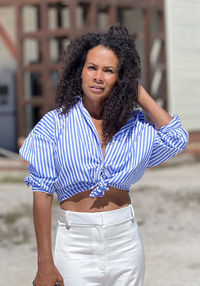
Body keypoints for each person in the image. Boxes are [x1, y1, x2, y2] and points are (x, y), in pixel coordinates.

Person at [20, 24, 188, 286]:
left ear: (120, 78)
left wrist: (138, 91)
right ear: (80, 71)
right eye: (92, 67)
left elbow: (177, 139)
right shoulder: (54, 124)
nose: (98, 76)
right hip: (75, 244)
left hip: (125, 242)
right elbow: (42, 192)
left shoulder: (135, 126)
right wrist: (44, 263)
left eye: (109, 71)